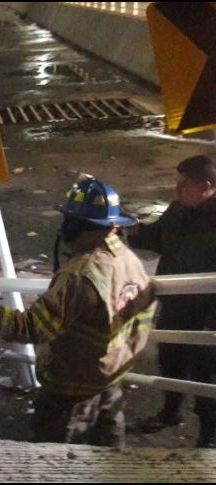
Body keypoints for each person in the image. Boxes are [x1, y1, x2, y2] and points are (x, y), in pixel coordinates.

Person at [0, 178, 157, 447]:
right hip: (109, 381)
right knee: (110, 456)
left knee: (58, 458)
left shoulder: (80, 275)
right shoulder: (128, 259)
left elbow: (31, 327)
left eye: (68, 220)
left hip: (71, 392)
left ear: (79, 226)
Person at [128, 154, 216, 448]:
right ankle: (170, 412)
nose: (176, 190)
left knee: (206, 374)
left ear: (205, 186)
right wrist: (131, 229)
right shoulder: (178, 210)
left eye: (183, 184)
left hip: (208, 315)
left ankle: (209, 434)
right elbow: (156, 238)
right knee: (170, 361)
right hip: (175, 304)